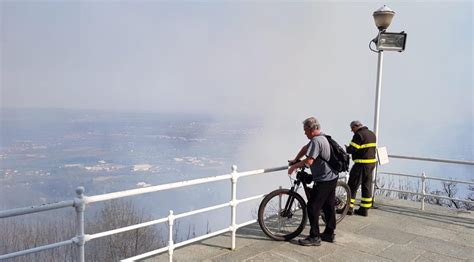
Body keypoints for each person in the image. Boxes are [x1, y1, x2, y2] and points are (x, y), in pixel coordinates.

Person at [288, 117, 338, 246]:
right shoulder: (322, 137)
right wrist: (296, 159)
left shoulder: (316, 140)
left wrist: (295, 166)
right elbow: (306, 148)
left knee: (312, 207)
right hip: (331, 176)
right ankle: (329, 233)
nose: (304, 133)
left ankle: (315, 237)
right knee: (328, 205)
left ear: (311, 130)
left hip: (324, 179)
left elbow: (309, 161)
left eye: (305, 130)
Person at [345, 120, 377, 217]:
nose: (352, 131)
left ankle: (348, 208)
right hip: (371, 164)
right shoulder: (372, 134)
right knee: (366, 186)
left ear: (355, 126)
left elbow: (352, 149)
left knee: (352, 186)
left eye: (352, 129)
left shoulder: (359, 135)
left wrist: (347, 148)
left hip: (361, 165)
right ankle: (364, 210)